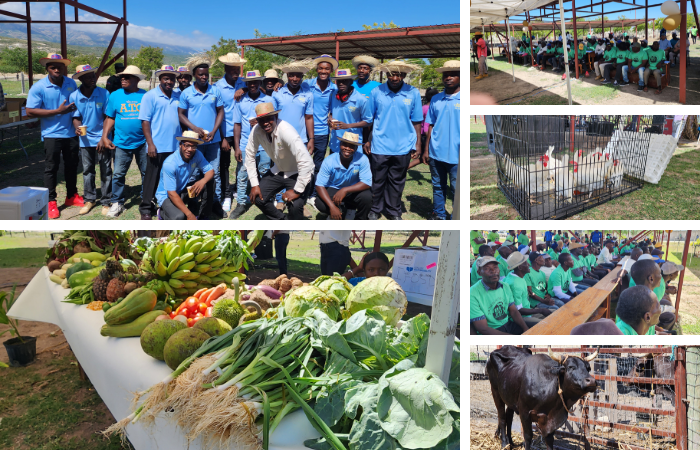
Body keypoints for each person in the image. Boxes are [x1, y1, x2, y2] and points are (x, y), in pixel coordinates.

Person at [26, 53, 84, 219]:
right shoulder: (39, 87)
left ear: (64, 68)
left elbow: (75, 105)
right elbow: (30, 111)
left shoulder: (71, 83)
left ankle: (71, 196)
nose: (57, 69)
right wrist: (56, 111)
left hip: (70, 133)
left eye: (60, 66)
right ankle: (51, 201)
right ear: (47, 68)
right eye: (53, 67)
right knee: (51, 168)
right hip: (51, 134)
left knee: (72, 165)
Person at [366, 60, 423, 220]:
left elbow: (417, 120)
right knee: (378, 180)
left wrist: (417, 144)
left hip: (403, 146)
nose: (395, 78)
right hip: (380, 145)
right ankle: (375, 209)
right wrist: (368, 140)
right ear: (387, 75)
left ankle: (393, 211)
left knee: (397, 181)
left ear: (404, 75)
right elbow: (369, 119)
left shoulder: (413, 93)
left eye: (398, 74)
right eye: (391, 74)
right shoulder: (377, 92)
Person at [245, 103, 315, 220]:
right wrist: (254, 184)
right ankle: (281, 220)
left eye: (269, 119)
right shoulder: (257, 130)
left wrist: (297, 191)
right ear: (257, 121)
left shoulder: (286, 131)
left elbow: (306, 162)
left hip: (298, 172)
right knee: (258, 197)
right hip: (279, 170)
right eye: (262, 120)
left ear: (276, 117)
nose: (265, 123)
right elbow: (249, 155)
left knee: (295, 206)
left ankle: (295, 218)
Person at [178, 59, 225, 218]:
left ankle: (214, 203)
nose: (204, 77)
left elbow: (220, 112)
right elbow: (181, 115)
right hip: (193, 140)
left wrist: (214, 130)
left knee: (213, 172)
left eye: (206, 74)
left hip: (213, 140)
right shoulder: (187, 93)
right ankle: (193, 204)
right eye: (200, 75)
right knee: (192, 173)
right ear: (194, 75)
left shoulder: (215, 91)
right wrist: (194, 128)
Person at [99, 65, 147, 218]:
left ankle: (146, 199)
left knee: (146, 172)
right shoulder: (115, 95)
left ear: (137, 80)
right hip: (121, 142)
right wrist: (105, 136)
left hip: (143, 142)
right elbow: (110, 117)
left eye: (127, 77)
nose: (122, 79)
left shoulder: (145, 96)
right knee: (119, 173)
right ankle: (117, 202)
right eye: (122, 77)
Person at [138, 65, 182, 221]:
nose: (169, 81)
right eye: (166, 78)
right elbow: (145, 121)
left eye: (171, 78)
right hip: (157, 146)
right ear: (159, 79)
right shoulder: (150, 96)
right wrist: (150, 143)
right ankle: (145, 208)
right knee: (152, 178)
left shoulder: (178, 95)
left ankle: (167, 206)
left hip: (175, 146)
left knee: (171, 178)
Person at [228, 70, 273, 220]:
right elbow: (236, 124)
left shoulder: (268, 100)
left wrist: (260, 122)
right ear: (246, 84)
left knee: (265, 173)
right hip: (246, 144)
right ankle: (241, 203)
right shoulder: (240, 100)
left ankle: (265, 200)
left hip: (265, 144)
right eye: (250, 82)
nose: (252, 85)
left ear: (260, 83)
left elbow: (274, 121)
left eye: (255, 82)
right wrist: (237, 147)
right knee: (242, 175)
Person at [69, 64, 111, 216]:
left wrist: (103, 137)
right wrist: (78, 127)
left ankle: (106, 201)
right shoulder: (74, 96)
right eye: (87, 76)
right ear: (80, 79)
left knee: (106, 170)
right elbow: (75, 117)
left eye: (93, 75)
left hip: (103, 140)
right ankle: (90, 199)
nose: (92, 79)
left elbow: (108, 117)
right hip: (85, 140)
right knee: (87, 171)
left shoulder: (104, 94)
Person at [423, 60, 459, 221]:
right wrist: (426, 150)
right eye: (446, 75)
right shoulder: (436, 99)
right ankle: (439, 214)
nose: (448, 78)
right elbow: (430, 125)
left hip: (457, 155)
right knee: (438, 187)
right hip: (436, 152)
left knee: (457, 189)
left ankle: (456, 217)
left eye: (453, 75)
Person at [155, 130, 214, 220]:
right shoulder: (170, 164)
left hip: (182, 189)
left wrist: (203, 181)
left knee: (210, 181)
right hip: (167, 195)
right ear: (180, 145)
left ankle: (204, 216)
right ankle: (162, 212)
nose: (190, 149)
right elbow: (171, 193)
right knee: (179, 217)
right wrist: (189, 215)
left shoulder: (197, 154)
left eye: (193, 146)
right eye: (187, 145)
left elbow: (210, 171)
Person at [215, 53, 248, 214]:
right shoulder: (217, 87)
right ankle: (227, 195)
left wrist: (244, 88)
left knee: (243, 161)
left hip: (242, 131)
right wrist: (222, 138)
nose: (236, 71)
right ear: (225, 68)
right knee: (225, 165)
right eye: (232, 68)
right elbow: (217, 113)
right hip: (226, 132)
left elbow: (260, 86)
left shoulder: (242, 82)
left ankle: (240, 190)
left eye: (238, 68)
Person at [303, 55, 338, 207]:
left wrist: (331, 116)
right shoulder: (306, 85)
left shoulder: (334, 88)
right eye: (321, 68)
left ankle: (313, 194)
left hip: (323, 132)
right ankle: (300, 193)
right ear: (317, 69)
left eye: (327, 68)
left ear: (331, 71)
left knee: (318, 165)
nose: (323, 71)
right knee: (302, 163)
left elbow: (333, 108)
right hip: (304, 131)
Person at [314, 131, 372, 220]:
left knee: (367, 197)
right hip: (333, 188)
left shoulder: (363, 159)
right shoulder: (329, 161)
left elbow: (367, 183)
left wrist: (345, 190)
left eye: (352, 146)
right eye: (345, 145)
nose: (347, 148)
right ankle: (338, 211)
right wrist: (332, 207)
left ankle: (359, 220)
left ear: (356, 148)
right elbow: (319, 185)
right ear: (340, 145)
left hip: (352, 189)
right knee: (320, 203)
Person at [470, 256, 529, 335]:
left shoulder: (505, 286)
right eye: (487, 268)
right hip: (492, 331)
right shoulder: (472, 294)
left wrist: (526, 330)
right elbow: (483, 328)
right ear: (479, 273)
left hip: (509, 324)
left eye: (495, 267)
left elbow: (514, 311)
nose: (493, 271)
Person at [329, 68, 372, 155]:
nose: (341, 83)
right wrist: (329, 119)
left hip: (352, 143)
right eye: (339, 81)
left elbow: (368, 121)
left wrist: (348, 126)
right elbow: (332, 113)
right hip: (335, 142)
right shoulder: (333, 95)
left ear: (351, 82)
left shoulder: (361, 100)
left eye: (345, 81)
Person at [504, 252, 552, 328]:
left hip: (528, 310)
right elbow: (518, 310)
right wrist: (541, 310)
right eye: (526, 263)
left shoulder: (516, 275)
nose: (529, 264)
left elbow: (527, 291)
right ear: (520, 267)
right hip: (521, 317)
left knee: (554, 313)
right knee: (547, 324)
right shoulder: (515, 284)